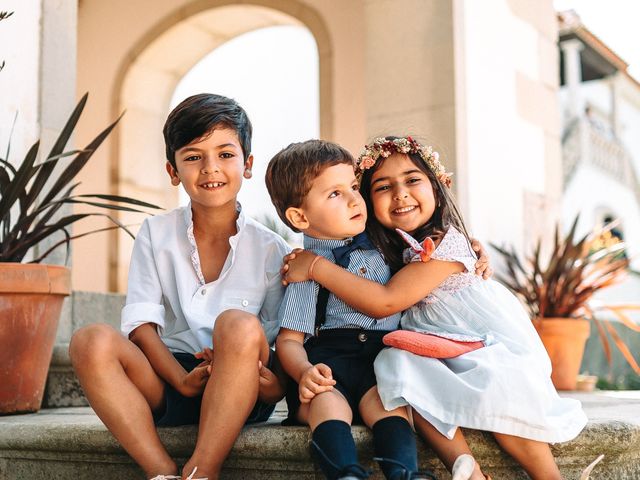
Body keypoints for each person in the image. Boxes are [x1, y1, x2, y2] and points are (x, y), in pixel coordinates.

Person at [281, 136, 590, 480]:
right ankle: (469, 472)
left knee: (499, 396)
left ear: (437, 185)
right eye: (382, 187)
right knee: (408, 385)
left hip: (475, 339)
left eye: (412, 180)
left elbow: (386, 302)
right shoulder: (387, 246)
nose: (400, 194)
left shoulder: (444, 242)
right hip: (427, 347)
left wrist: (315, 267)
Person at [69, 94, 290, 480]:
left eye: (225, 154)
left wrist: (273, 387)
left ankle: (203, 471)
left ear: (247, 164)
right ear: (173, 171)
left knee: (236, 324)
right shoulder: (156, 234)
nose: (210, 169)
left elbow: (281, 342)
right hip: (171, 376)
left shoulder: (274, 250)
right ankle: (161, 472)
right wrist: (180, 380)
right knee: (90, 340)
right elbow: (141, 323)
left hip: (243, 379)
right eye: (193, 157)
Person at [266, 140, 490, 480]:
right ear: (300, 216)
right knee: (327, 404)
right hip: (329, 363)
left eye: (354, 187)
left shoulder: (386, 241)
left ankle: (403, 474)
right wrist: (303, 373)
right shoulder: (304, 267)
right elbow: (289, 340)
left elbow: (433, 247)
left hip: (381, 360)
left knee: (390, 406)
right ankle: (346, 473)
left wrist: (472, 247)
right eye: (335, 194)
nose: (355, 199)